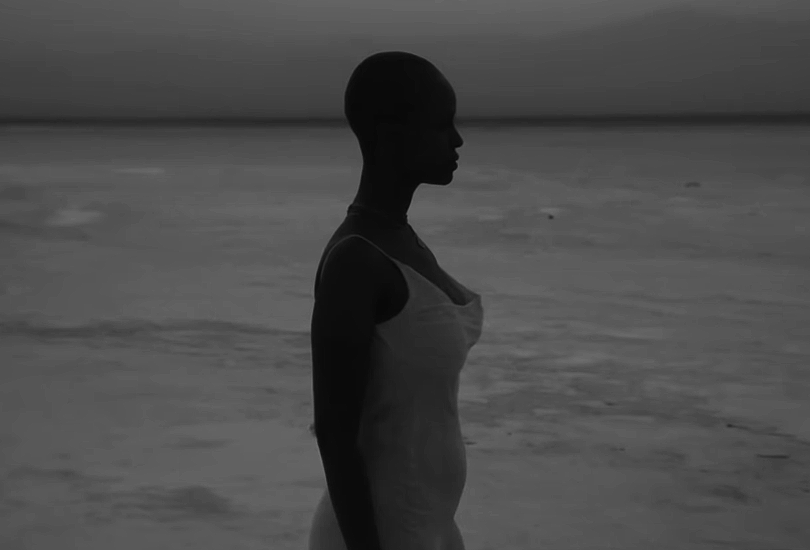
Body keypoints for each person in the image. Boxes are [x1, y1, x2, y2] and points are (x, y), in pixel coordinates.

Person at [307, 51, 483, 550]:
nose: (457, 140)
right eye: (441, 124)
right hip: (378, 534)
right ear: (390, 134)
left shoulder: (401, 239)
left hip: (428, 525)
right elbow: (335, 438)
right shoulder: (355, 261)